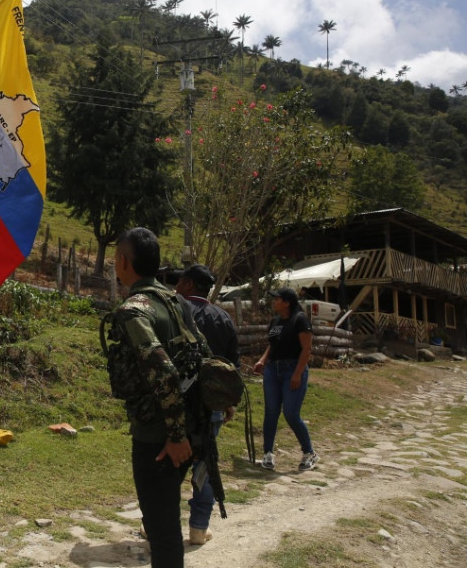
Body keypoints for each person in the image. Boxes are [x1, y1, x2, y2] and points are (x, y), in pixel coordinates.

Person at [106, 228, 194, 568]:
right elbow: (202, 355)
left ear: (124, 262)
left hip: (159, 439)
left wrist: (175, 435)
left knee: (163, 532)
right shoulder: (177, 301)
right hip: (190, 428)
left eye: (116, 256)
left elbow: (164, 372)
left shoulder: (133, 310)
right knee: (165, 524)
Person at [174, 264, 239, 546]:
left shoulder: (174, 310)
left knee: (168, 464)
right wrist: (229, 404)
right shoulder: (223, 318)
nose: (176, 285)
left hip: (176, 404)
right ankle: (199, 529)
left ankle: (154, 524)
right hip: (211, 405)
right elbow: (232, 368)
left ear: (189, 284)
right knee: (205, 463)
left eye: (180, 281)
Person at [253, 287, 319, 472]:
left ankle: (309, 452)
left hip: (292, 369)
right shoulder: (275, 321)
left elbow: (306, 349)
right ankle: (268, 453)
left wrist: (297, 374)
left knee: (291, 413)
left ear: (287, 303)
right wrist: (262, 360)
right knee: (271, 412)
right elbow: (272, 345)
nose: (273, 302)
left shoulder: (300, 320)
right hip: (272, 370)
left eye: (277, 299)